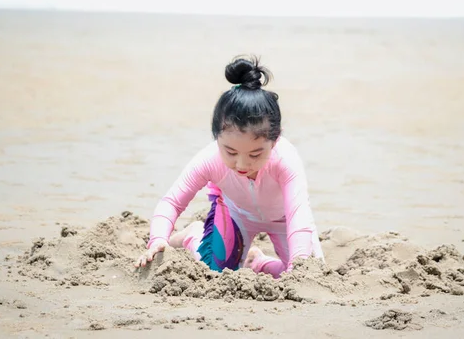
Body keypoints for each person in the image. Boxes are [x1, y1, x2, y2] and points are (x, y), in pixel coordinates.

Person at [134, 55, 324, 278]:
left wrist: (299, 264)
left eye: (256, 154)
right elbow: (171, 202)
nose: (242, 164)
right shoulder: (209, 158)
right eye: (230, 152)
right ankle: (192, 235)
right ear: (217, 138)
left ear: (276, 140)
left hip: (284, 219)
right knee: (214, 273)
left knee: (309, 273)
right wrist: (157, 240)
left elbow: (298, 214)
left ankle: (259, 262)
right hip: (237, 214)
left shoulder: (285, 159)